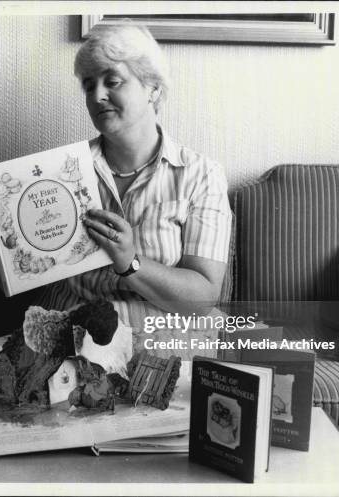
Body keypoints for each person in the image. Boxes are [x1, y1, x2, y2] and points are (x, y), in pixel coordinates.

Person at [36, 24, 232, 333]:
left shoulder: (200, 175)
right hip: (69, 336)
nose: (97, 95)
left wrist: (130, 262)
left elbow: (203, 297)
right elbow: (31, 268)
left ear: (153, 87)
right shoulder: (60, 173)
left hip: (157, 345)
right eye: (89, 85)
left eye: (112, 81)